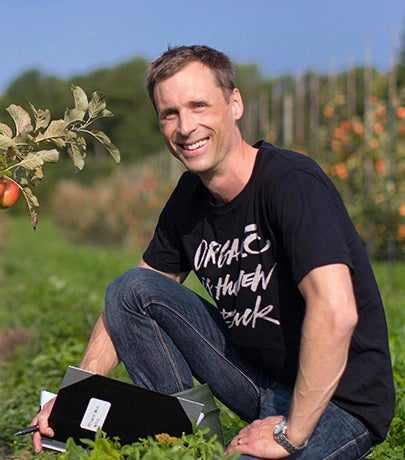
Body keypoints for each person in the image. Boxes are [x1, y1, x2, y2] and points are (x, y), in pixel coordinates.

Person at [32, 45, 395, 459]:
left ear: (234, 103)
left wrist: (289, 435)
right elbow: (130, 301)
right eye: (170, 113)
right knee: (130, 287)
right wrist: (73, 399)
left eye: (199, 105)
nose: (186, 127)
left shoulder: (291, 183)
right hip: (261, 384)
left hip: (340, 402)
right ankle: (184, 440)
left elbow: (336, 313)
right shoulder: (189, 198)